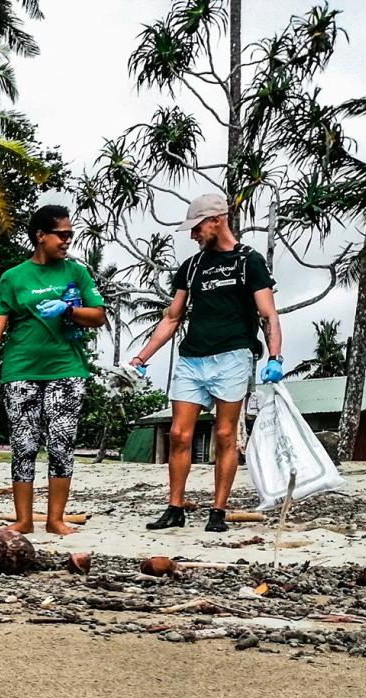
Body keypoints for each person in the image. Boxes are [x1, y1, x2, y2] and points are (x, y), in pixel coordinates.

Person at [129, 193, 283, 533]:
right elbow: (172, 318)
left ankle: (217, 510)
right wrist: (141, 357)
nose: (193, 234)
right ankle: (175, 507)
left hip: (233, 356)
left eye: (196, 227)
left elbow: (268, 313)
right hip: (192, 358)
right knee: (178, 434)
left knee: (225, 433)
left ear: (217, 220)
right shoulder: (193, 266)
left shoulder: (249, 261)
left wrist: (275, 357)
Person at [0, 205, 107, 535]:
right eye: (63, 234)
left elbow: (98, 315)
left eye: (71, 234)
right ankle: (24, 520)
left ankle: (56, 519)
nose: (68, 240)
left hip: (67, 370)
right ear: (41, 236)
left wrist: (68, 310)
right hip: (21, 371)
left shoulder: (76, 272)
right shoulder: (13, 278)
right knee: (24, 444)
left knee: (61, 443)